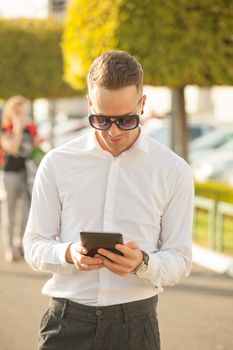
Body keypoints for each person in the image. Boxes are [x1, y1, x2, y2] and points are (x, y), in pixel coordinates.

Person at [23, 51, 194, 350]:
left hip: (135, 326)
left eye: (126, 120)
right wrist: (68, 253)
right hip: (66, 323)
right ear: (90, 104)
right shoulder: (56, 163)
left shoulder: (173, 170)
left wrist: (143, 263)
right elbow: (33, 244)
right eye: (101, 119)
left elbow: (180, 259)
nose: (113, 132)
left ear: (142, 105)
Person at [1, 95, 40, 262]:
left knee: (26, 211)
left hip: (28, 173)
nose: (20, 113)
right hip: (10, 173)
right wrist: (17, 126)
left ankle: (20, 244)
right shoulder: (5, 128)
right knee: (9, 211)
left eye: (22, 110)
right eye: (16, 110)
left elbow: (35, 148)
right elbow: (14, 149)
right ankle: (9, 247)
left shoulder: (29, 127)